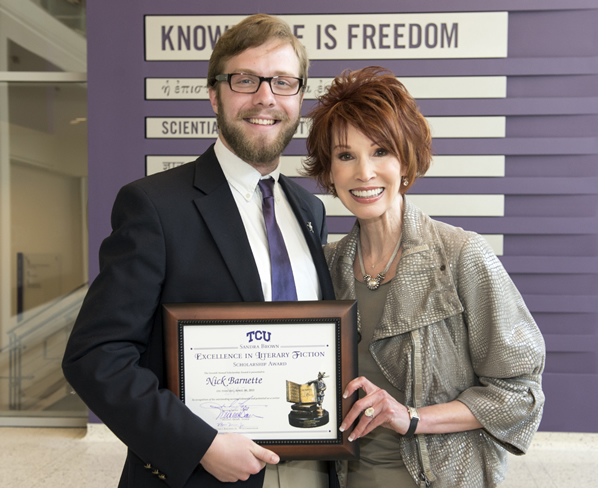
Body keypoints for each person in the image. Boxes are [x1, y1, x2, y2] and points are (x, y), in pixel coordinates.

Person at [62, 14, 335, 488]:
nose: (266, 97)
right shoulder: (154, 206)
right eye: (246, 80)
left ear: (299, 98)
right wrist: (200, 444)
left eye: (283, 82)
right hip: (200, 475)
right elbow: (95, 355)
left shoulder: (309, 209)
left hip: (309, 465)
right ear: (214, 95)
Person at [303, 66, 545, 488]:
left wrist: (412, 418)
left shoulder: (460, 256)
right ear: (330, 171)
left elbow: (519, 396)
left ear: (406, 158)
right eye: (346, 156)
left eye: (380, 151)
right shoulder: (322, 267)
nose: (364, 172)